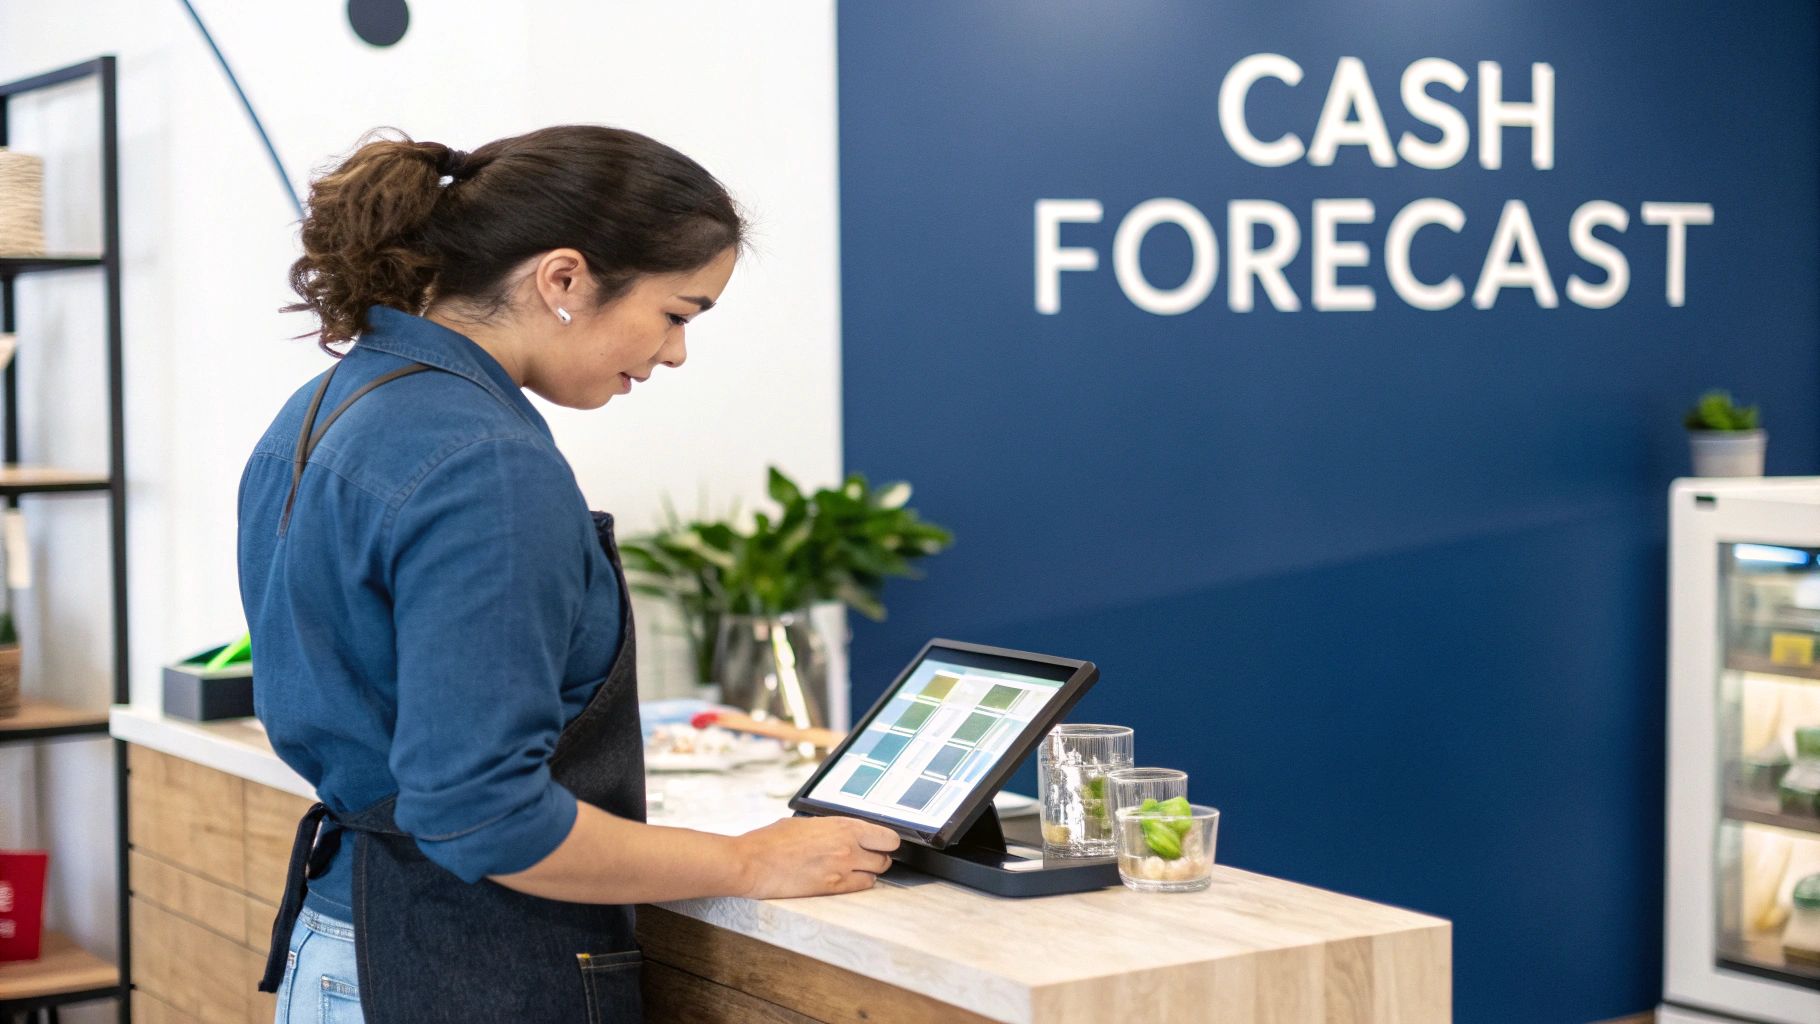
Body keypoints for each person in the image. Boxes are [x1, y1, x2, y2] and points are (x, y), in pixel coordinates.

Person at [236, 126, 899, 1024]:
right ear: (563, 279)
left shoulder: (323, 406)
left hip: (343, 944)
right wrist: (752, 861)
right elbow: (486, 817)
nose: (675, 354)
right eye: (678, 313)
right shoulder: (487, 465)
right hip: (458, 970)